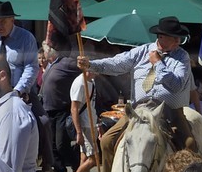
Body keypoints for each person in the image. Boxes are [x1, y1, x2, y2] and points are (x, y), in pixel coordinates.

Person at [79, 16, 194, 153]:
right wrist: (91, 65)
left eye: (179, 37)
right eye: (174, 37)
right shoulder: (142, 51)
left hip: (170, 111)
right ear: (161, 37)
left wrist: (158, 63)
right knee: (107, 142)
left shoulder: (182, 57)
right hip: (138, 109)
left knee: (190, 145)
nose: (178, 40)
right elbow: (117, 63)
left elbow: (177, 85)